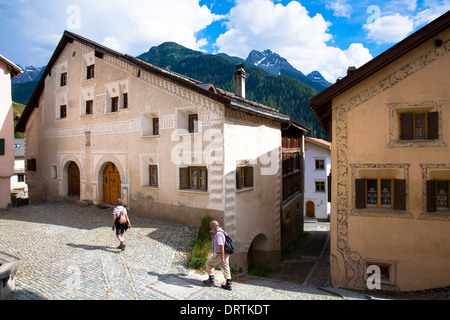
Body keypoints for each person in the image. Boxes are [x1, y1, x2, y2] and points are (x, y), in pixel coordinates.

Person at [203, 220, 232, 290]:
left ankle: (211, 278)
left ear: (214, 227)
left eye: (211, 227)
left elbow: (221, 245)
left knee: (209, 263)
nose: (211, 229)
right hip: (226, 253)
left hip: (221, 254)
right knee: (225, 267)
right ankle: (228, 283)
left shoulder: (218, 234)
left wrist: (222, 256)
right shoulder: (222, 231)